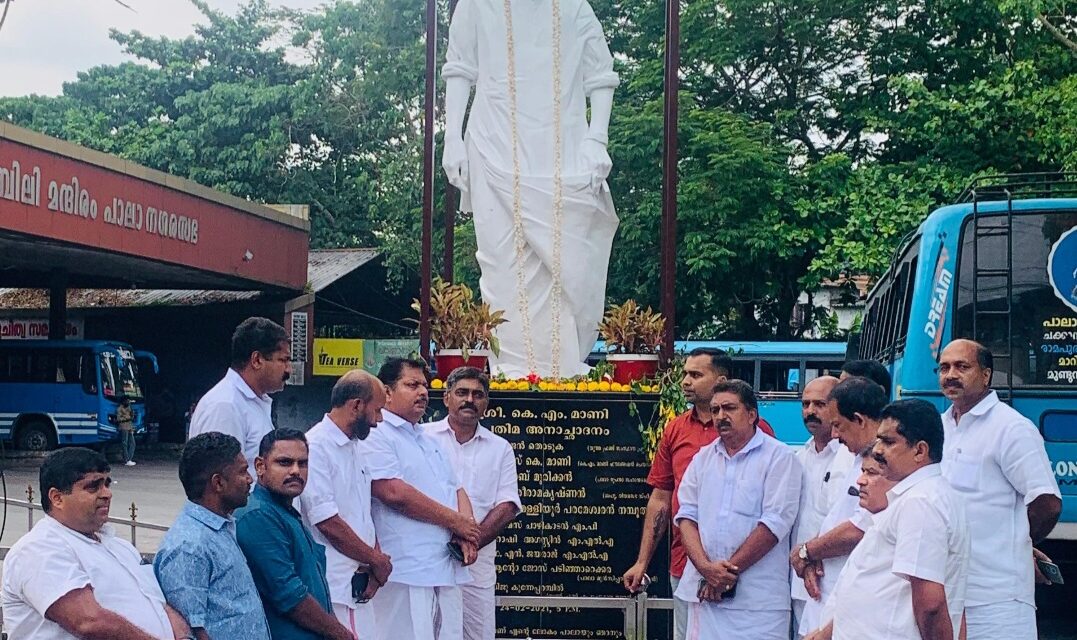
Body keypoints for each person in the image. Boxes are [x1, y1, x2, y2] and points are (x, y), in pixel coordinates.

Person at [442, 0, 620, 377]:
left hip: (563, 154)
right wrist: (451, 139)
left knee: (568, 264)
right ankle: (509, 370)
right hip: (492, 143)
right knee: (499, 265)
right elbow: (459, 69)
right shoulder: (477, 6)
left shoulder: (574, 8)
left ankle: (563, 368)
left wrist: (596, 139)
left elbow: (601, 76)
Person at [622, 349, 774, 640]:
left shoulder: (758, 431)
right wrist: (643, 562)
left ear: (721, 379)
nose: (685, 381)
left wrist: (730, 568)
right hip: (687, 563)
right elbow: (662, 498)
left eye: (696, 374)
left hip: (744, 568)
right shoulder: (676, 429)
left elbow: (772, 506)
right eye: (685, 374)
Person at [806, 399, 969, 640]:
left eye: (889, 442)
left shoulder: (921, 501)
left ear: (920, 451)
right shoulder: (912, 497)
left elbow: (931, 603)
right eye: (879, 439)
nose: (878, 450)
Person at [937, 339, 1061, 639]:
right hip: (950, 594)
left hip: (998, 602)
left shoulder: (1011, 428)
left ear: (986, 375)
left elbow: (1047, 502)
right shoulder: (941, 427)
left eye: (962, 366)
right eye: (944, 368)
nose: (950, 374)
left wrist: (1018, 541)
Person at [1, 448, 189, 640]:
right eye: (93, 487)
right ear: (57, 498)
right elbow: (89, 622)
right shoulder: (38, 549)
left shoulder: (120, 547)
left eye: (107, 484)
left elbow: (158, 605)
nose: (107, 494)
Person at [363, 358, 481, 640]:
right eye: (412, 385)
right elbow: (393, 492)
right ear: (387, 392)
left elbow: (456, 489)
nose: (423, 392)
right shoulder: (377, 434)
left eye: (425, 386)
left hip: (443, 567)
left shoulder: (425, 438)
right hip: (405, 569)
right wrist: (456, 521)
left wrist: (467, 533)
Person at [674, 379, 802, 640]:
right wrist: (707, 569)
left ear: (752, 414)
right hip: (706, 596)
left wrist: (725, 573)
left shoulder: (780, 458)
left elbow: (775, 523)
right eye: (715, 410)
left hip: (759, 603)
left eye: (729, 408)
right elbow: (686, 517)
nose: (721, 416)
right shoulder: (703, 459)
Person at [423, 367, 522, 640]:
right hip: (426, 557)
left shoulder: (500, 448)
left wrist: (470, 541)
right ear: (446, 398)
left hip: (475, 565)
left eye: (478, 395)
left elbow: (507, 505)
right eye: (462, 393)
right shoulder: (422, 438)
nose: (470, 400)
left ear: (486, 403)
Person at [300, 370, 394, 639]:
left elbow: (362, 513)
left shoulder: (356, 446)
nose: (379, 420)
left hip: (359, 583)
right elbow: (327, 522)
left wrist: (375, 563)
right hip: (334, 585)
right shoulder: (316, 447)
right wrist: (376, 560)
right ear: (356, 406)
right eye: (377, 411)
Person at [236, 429, 354, 640]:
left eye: (303, 463)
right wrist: (340, 634)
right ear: (260, 467)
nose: (295, 471)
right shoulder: (258, 516)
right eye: (284, 462)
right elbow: (289, 595)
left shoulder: (286, 513)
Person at [791, 376, 886, 636]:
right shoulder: (857, 457)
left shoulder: (883, 463)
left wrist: (806, 552)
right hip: (827, 591)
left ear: (859, 420)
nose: (834, 435)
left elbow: (860, 528)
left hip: (852, 602)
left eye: (838, 426)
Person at [154, 432, 270, 640]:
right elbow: (191, 630)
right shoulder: (189, 546)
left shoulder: (219, 528)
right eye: (243, 472)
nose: (250, 479)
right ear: (218, 483)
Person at [189, 317, 291, 482]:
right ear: (257, 360)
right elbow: (221, 483)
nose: (288, 369)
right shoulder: (225, 406)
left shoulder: (253, 401)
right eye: (283, 360)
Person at [790, 375, 851, 638]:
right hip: (799, 579)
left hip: (836, 578)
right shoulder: (798, 457)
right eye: (805, 404)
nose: (810, 412)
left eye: (819, 404)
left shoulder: (850, 458)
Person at [117, 396, 137, 466]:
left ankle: (129, 459)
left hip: (130, 427)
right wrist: (127, 418)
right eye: (127, 401)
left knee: (133, 443)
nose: (128, 402)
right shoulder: (120, 408)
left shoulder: (129, 407)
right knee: (124, 443)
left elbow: (132, 416)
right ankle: (127, 459)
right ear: (123, 401)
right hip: (123, 426)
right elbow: (119, 419)